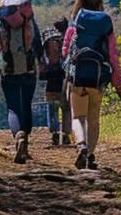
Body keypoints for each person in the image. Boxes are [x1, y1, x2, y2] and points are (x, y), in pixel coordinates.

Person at [0, 0, 44, 164]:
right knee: (26, 105)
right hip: (29, 67)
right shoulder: (27, 15)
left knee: (13, 107)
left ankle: (19, 137)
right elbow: (37, 40)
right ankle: (26, 141)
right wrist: (41, 60)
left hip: (7, 68)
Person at [61, 0, 121, 170]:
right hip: (97, 80)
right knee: (93, 119)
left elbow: (65, 51)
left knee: (78, 117)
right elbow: (112, 56)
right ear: (99, 4)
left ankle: (81, 144)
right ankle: (89, 155)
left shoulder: (75, 25)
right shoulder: (105, 25)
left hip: (77, 78)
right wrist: (117, 81)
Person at [41, 17, 70, 145]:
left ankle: (54, 132)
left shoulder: (48, 40)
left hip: (50, 78)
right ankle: (65, 133)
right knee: (66, 108)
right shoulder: (69, 40)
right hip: (64, 78)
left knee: (52, 107)